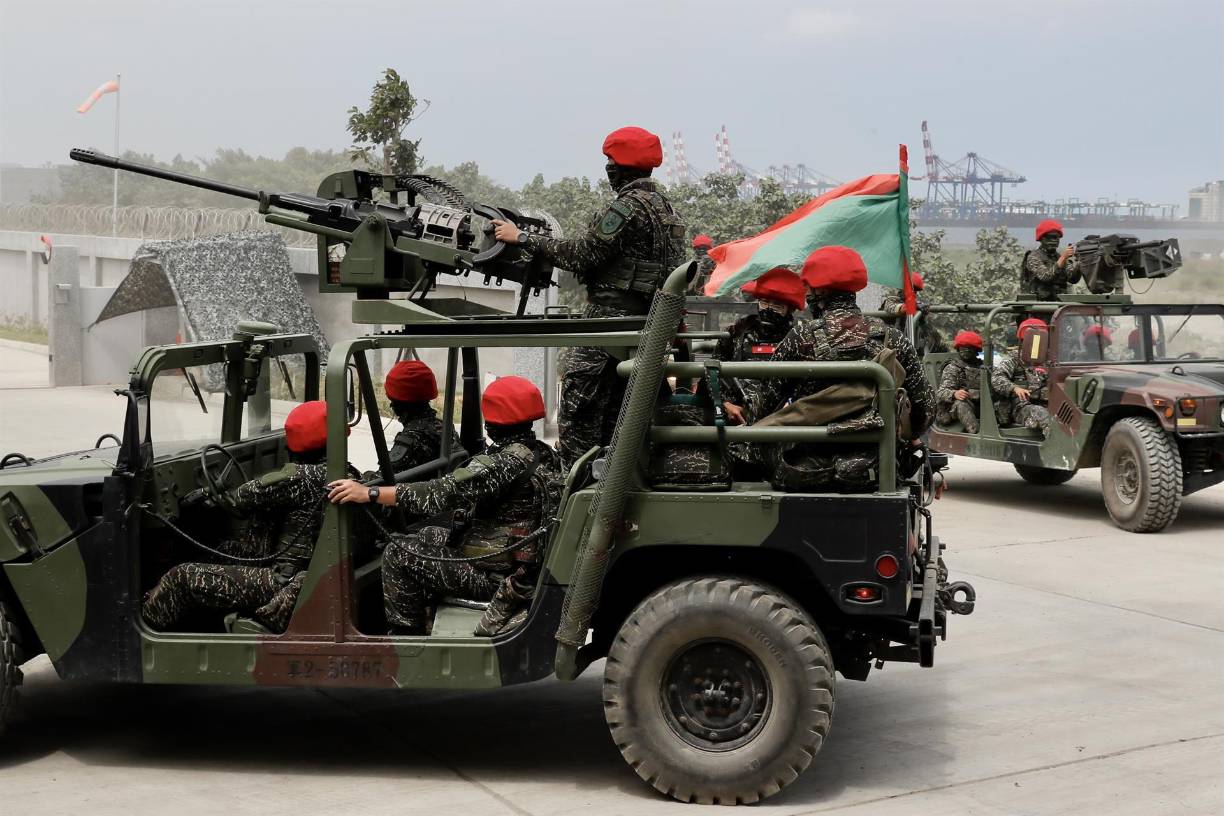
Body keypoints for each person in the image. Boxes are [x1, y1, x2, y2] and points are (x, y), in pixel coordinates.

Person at [490, 126, 686, 466]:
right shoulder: (666, 210)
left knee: (581, 411)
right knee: (617, 415)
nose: (608, 166)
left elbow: (584, 254)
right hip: (644, 323)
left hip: (608, 324)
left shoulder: (628, 207)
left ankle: (571, 492)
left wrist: (522, 238)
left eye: (611, 160)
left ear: (623, 165)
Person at [328, 376, 562, 637]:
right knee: (424, 534)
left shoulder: (503, 464)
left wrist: (369, 492)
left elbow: (439, 494)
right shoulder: (543, 452)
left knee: (397, 552)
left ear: (493, 422)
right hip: (512, 557)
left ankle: (406, 637)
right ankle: (426, 611)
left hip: (494, 574)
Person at [142, 401, 357, 632]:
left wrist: (205, 494)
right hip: (304, 572)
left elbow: (238, 500)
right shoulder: (349, 475)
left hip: (282, 581)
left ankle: (141, 633)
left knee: (180, 577)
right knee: (211, 550)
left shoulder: (296, 478)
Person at [749, 246, 935, 490]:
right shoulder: (893, 339)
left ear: (821, 290)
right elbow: (925, 412)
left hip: (804, 469)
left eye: (809, 288)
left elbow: (763, 407)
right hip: (874, 469)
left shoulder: (801, 336)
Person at [717, 266, 808, 425]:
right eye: (764, 303)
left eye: (777, 306)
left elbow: (809, 380)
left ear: (790, 309)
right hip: (738, 413)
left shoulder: (800, 335)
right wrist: (725, 404)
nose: (768, 310)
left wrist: (793, 405)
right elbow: (713, 371)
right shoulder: (738, 330)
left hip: (786, 416)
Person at [379, 359, 461, 475]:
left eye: (392, 400)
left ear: (398, 403)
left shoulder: (412, 439)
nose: (391, 405)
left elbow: (382, 480)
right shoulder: (443, 426)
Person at [991, 318, 1052, 435]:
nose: (1036, 345)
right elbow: (997, 378)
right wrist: (1014, 388)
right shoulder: (1013, 360)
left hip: (1046, 404)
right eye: (1033, 341)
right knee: (1042, 415)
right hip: (1021, 407)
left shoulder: (1048, 361)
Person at [879, 272, 947, 354]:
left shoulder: (917, 305)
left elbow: (928, 330)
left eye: (914, 290)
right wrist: (914, 306)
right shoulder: (891, 300)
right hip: (892, 344)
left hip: (914, 344)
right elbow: (896, 307)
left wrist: (923, 315)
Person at [1019, 220, 1081, 299]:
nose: (1054, 240)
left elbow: (1073, 279)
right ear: (1041, 239)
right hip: (1038, 305)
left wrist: (1080, 263)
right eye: (1050, 237)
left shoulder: (1059, 257)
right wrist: (1063, 258)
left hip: (1059, 302)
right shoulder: (1033, 257)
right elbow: (1045, 276)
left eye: (1056, 237)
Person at [936, 330, 983, 433]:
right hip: (955, 408)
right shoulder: (953, 367)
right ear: (958, 348)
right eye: (963, 348)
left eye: (969, 348)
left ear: (976, 350)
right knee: (961, 404)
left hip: (980, 404)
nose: (966, 351)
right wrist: (955, 393)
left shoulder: (983, 367)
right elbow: (941, 392)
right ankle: (976, 433)